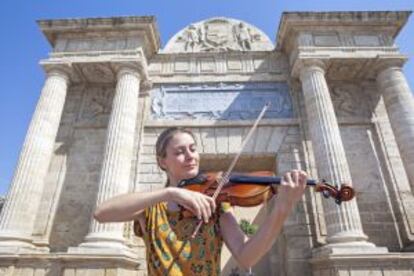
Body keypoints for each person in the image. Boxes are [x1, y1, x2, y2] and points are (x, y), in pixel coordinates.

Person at [94, 127, 308, 275]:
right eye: (179, 152)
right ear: (162, 162)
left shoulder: (216, 206)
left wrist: (282, 208)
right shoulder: (151, 208)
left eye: (193, 149)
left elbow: (247, 256)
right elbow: (102, 213)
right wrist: (171, 193)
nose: (190, 156)